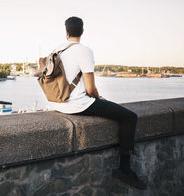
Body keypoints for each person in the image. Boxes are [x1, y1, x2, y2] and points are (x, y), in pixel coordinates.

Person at [48, 16, 146, 190]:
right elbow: (90, 89)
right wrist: (100, 98)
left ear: (66, 32)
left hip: (57, 103)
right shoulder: (84, 51)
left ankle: (125, 168)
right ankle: (124, 168)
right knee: (129, 117)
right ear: (82, 31)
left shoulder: (57, 50)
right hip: (77, 104)